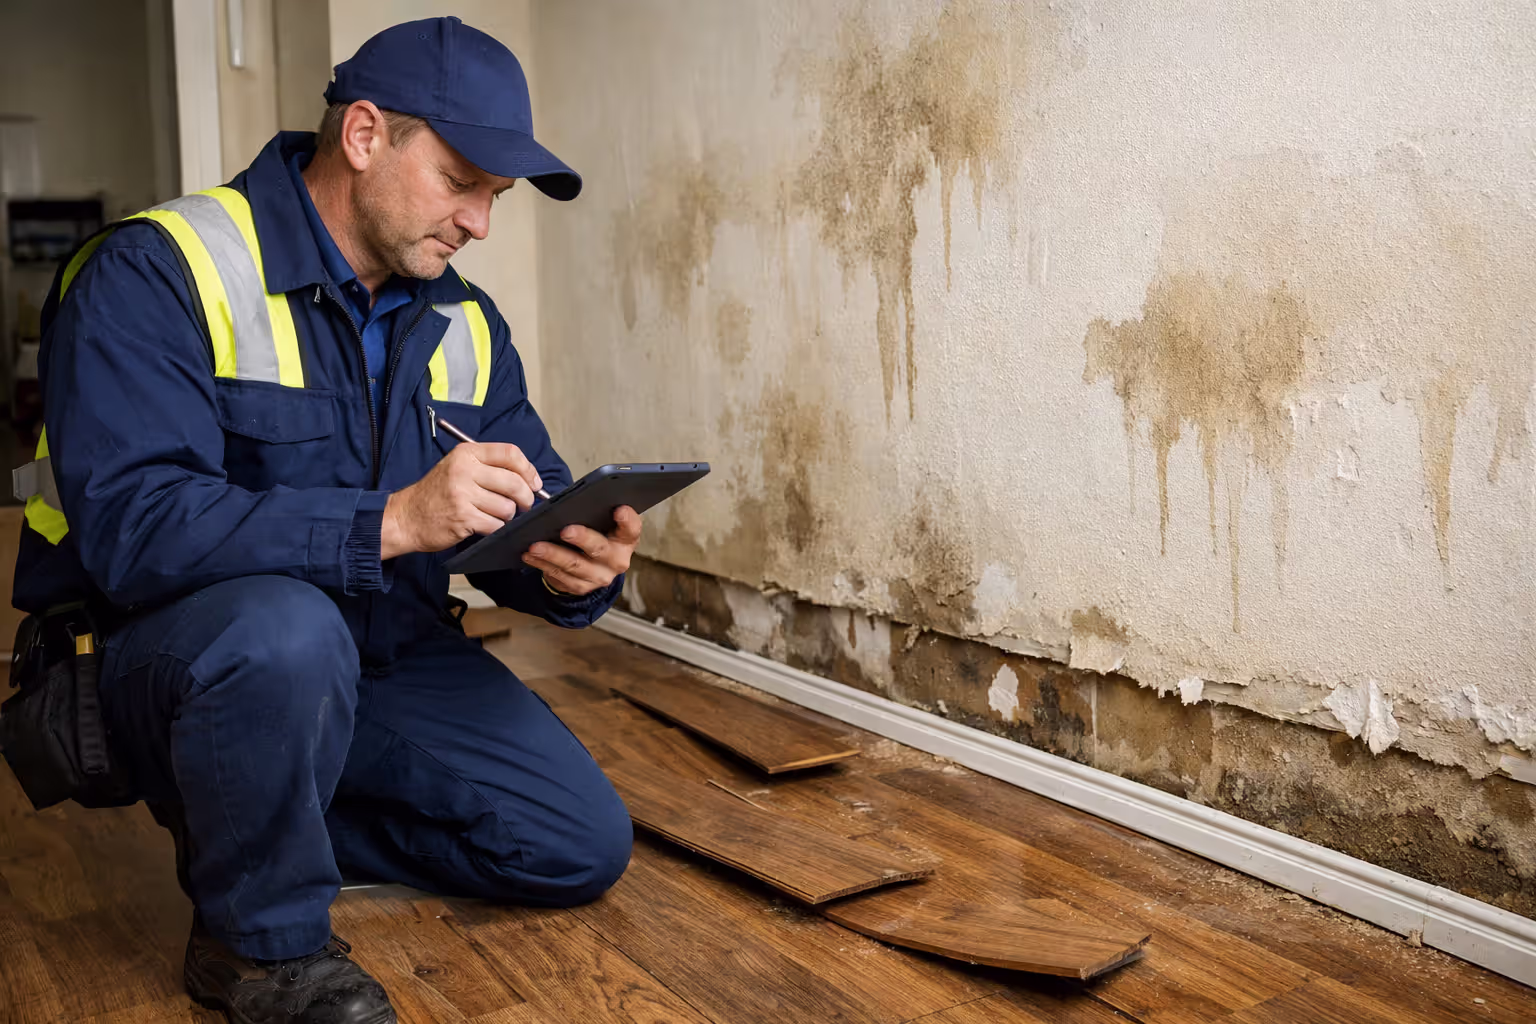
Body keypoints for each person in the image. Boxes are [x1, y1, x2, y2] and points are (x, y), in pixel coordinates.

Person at [8, 18, 637, 1024]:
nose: (480, 223)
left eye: (497, 198)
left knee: (573, 842)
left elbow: (521, 507)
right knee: (284, 630)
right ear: (362, 136)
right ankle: (257, 947)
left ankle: (256, 809)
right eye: (461, 181)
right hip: (176, 661)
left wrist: (574, 565)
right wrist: (389, 519)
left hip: (381, 650)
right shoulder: (157, 273)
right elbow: (135, 527)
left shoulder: (462, 321)